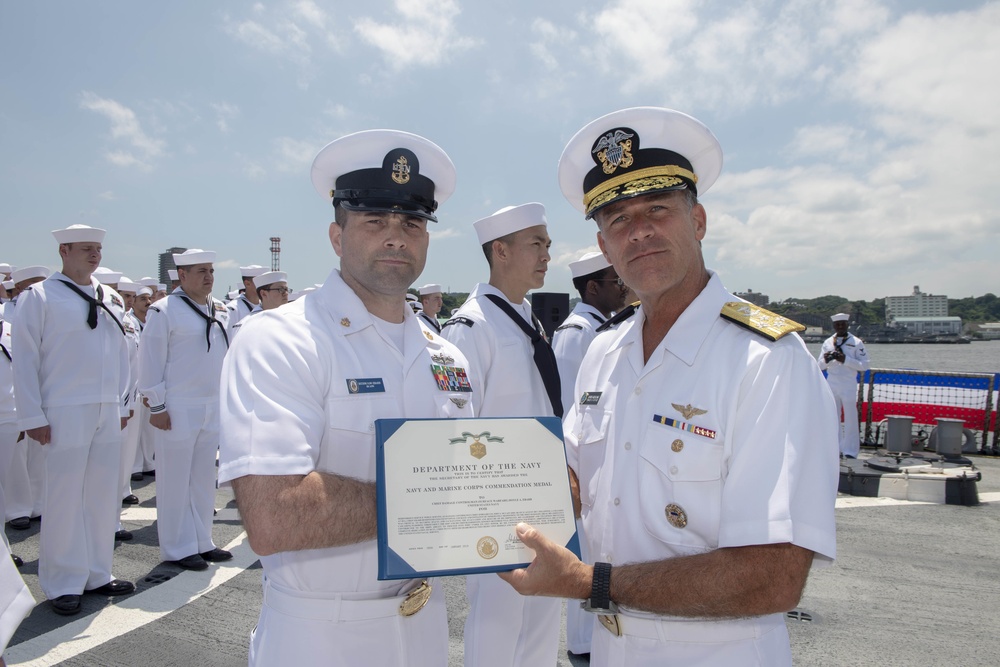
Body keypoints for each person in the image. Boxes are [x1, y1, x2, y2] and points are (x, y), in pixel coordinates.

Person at [497, 107, 839, 666]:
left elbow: (772, 576)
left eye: (657, 208)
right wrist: (480, 500)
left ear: (698, 220)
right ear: (605, 249)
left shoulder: (767, 361)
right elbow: (577, 481)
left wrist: (591, 583)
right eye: (617, 220)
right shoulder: (605, 352)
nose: (640, 232)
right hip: (611, 649)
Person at [218, 129, 475, 666]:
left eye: (412, 222)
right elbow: (274, 514)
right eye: (374, 220)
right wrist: (438, 502)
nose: (396, 237)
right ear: (337, 236)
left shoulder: (448, 357)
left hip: (428, 625)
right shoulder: (280, 340)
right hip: (323, 635)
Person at [441, 202, 563, 667]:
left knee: (541, 626)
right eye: (536, 244)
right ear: (501, 251)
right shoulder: (470, 328)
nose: (546, 255)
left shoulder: (527, 320)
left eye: (547, 244)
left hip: (542, 494)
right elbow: (455, 427)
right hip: (496, 504)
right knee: (497, 627)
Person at [11, 224, 135, 616]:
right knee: (64, 497)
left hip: (105, 406)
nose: (95, 255)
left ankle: (97, 573)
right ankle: (63, 580)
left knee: (101, 495)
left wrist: (122, 402)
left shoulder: (109, 296)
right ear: (64, 250)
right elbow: (26, 359)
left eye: (98, 248)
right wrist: (31, 414)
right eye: (86, 249)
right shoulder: (40, 296)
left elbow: (121, 354)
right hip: (62, 406)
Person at [137, 248, 233, 571]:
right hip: (177, 408)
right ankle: (177, 548)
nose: (209, 276)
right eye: (201, 270)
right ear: (182, 275)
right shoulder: (164, 311)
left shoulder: (218, 308)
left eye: (211, 270)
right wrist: (157, 404)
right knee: (174, 481)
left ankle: (202, 540)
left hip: (210, 407)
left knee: (203, 479)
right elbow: (149, 362)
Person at [818, 313, 870, 458]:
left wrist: (845, 359)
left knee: (850, 418)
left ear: (847, 325)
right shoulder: (828, 342)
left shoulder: (856, 342)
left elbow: (864, 365)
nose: (840, 326)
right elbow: (819, 365)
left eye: (843, 324)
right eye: (837, 324)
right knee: (832, 417)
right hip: (832, 382)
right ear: (834, 326)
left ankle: (850, 450)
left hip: (848, 383)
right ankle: (835, 448)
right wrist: (827, 359)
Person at [226, 265, 266, 331]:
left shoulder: (265, 305)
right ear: (247, 283)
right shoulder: (234, 308)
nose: (264, 285)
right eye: (260, 281)